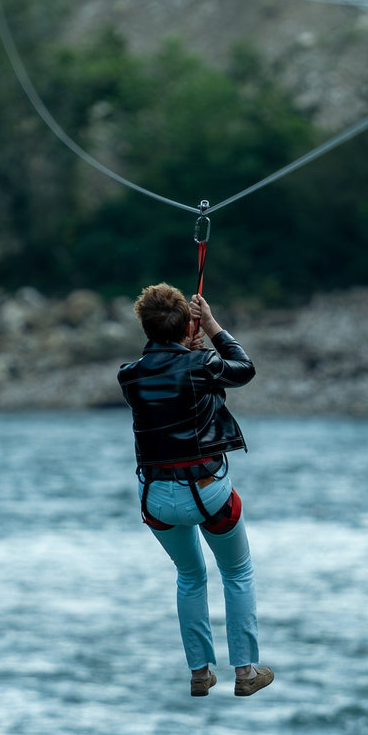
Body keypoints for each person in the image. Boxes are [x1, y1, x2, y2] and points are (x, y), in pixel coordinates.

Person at [118, 282, 272, 697]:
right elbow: (244, 368)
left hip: (156, 499)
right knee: (236, 572)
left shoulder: (128, 377)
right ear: (189, 323)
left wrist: (187, 342)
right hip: (207, 493)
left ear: (144, 326)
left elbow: (168, 377)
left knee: (190, 576)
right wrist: (212, 327)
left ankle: (200, 673)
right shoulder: (202, 363)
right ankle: (245, 672)